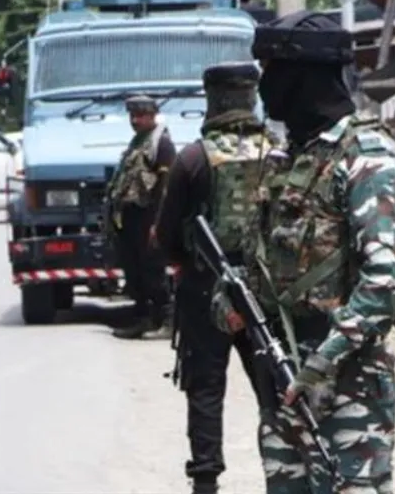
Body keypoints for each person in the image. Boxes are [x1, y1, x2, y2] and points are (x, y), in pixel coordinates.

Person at [213, 10, 395, 493]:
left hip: (345, 382)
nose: (263, 87)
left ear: (303, 77)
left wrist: (320, 364)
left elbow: (382, 284)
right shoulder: (288, 159)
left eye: (272, 72)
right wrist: (231, 303)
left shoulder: (368, 157)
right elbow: (258, 260)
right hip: (283, 375)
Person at [155, 61, 274, 494]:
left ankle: (206, 480)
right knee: (273, 383)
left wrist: (181, 260)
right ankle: (285, 469)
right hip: (265, 290)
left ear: (213, 100)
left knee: (205, 386)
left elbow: (166, 236)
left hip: (205, 287)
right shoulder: (277, 152)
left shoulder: (192, 159)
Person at [105, 94, 176, 340]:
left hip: (149, 219)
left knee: (153, 272)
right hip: (131, 220)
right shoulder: (137, 143)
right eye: (132, 116)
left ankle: (166, 321)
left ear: (152, 115)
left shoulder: (161, 144)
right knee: (134, 272)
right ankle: (143, 319)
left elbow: (165, 187)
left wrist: (158, 223)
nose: (135, 120)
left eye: (140, 115)